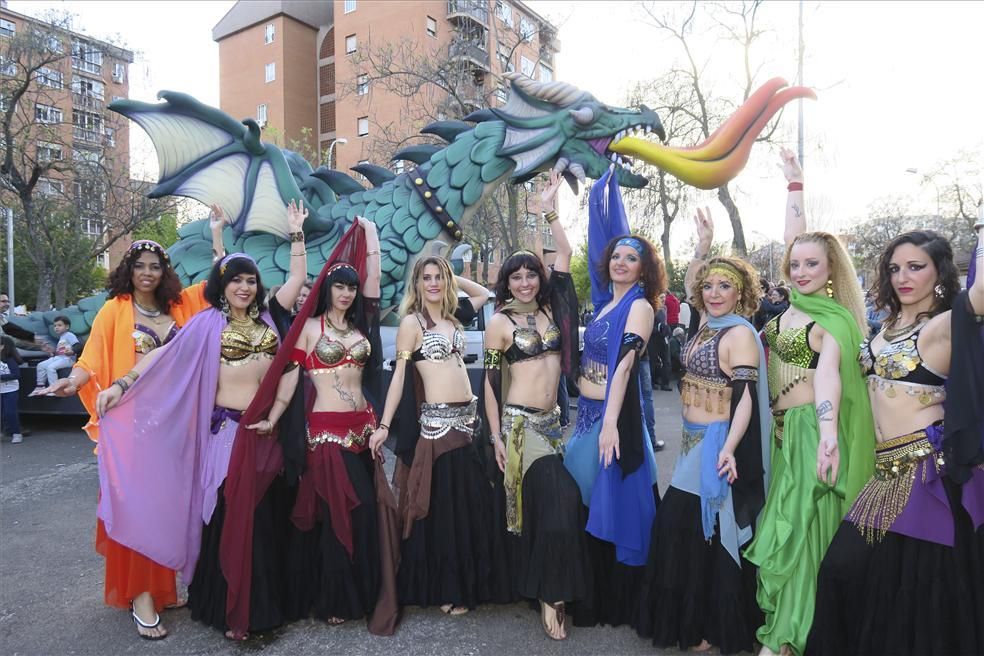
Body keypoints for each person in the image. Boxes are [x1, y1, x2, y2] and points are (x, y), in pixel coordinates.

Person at [92, 201, 308, 641]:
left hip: (266, 433)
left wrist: (296, 234)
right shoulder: (205, 324)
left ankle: (266, 600)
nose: (244, 288)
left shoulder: (270, 318)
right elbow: (161, 356)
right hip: (226, 436)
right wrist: (121, 385)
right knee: (229, 517)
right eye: (236, 281)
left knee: (266, 518)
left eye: (251, 280)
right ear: (222, 286)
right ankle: (228, 606)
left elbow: (299, 282)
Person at [40, 213, 225, 640]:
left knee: (171, 508)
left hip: (178, 428)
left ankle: (163, 587)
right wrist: (74, 381)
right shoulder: (113, 310)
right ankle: (141, 595)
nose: (147, 273)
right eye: (139, 266)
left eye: (154, 266)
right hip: (134, 428)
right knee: (137, 510)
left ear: (165, 272)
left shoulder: (182, 306)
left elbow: (224, 280)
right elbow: (90, 359)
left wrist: (217, 235)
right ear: (129, 270)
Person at [808, 224, 984, 655]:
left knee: (917, 598)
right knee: (846, 573)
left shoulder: (945, 325)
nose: (902, 277)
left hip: (928, 478)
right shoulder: (880, 327)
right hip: (885, 471)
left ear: (939, 274)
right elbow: (807, 282)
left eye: (916, 267)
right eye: (894, 268)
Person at [743, 147, 874, 656]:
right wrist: (794, 187)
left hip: (809, 435)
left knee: (798, 534)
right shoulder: (792, 309)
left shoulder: (832, 320)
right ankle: (799, 631)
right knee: (796, 532)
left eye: (811, 264)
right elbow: (795, 238)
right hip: (783, 436)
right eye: (794, 264)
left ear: (830, 269)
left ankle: (786, 639)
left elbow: (828, 381)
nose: (800, 270)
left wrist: (824, 436)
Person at [638, 208, 771, 654]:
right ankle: (701, 625)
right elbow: (694, 282)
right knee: (696, 532)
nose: (714, 293)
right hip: (691, 440)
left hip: (714, 443)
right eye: (709, 286)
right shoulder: (703, 327)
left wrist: (730, 448)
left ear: (742, 293)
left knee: (690, 525)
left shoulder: (739, 335)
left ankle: (710, 625)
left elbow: (746, 398)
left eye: (725, 286)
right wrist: (701, 248)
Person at [483, 170, 588, 640]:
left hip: (554, 426)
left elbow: (564, 254)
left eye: (531, 275)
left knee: (553, 508)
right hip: (522, 427)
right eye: (517, 276)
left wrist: (550, 209)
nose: (525, 282)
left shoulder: (553, 310)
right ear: (507, 282)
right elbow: (487, 383)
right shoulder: (500, 323)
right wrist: (495, 436)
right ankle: (551, 595)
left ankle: (547, 586)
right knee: (561, 499)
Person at [275, 217, 391, 629]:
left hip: (364, 431)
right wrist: (271, 416)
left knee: (363, 514)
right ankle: (335, 598)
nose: (346, 293)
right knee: (345, 512)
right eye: (339, 286)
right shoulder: (307, 329)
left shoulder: (362, 327)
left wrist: (372, 237)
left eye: (351, 287)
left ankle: (357, 592)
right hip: (325, 433)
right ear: (327, 289)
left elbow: (374, 280)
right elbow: (288, 381)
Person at [562, 167, 663, 628]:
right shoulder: (604, 301)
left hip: (613, 420)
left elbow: (625, 364)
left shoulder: (639, 306)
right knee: (586, 503)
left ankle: (617, 605)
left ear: (645, 269)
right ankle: (589, 591)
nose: (621, 261)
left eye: (631, 257)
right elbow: (594, 237)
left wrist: (609, 424)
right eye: (617, 255)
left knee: (618, 510)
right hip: (586, 416)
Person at [368, 257, 495, 617]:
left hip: (467, 425)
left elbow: (484, 292)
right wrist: (384, 425)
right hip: (437, 430)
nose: (435, 283)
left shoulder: (455, 318)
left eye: (440, 277)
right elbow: (399, 377)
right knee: (444, 514)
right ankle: (446, 589)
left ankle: (465, 584)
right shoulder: (412, 323)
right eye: (427, 278)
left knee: (468, 510)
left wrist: (455, 276)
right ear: (418, 284)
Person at [30, 316, 78, 394]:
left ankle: (54, 389)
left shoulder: (69, 335)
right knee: (40, 365)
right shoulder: (61, 337)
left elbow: (77, 345)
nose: (56, 327)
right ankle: (40, 386)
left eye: (59, 325)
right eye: (55, 326)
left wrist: (72, 351)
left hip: (68, 359)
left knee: (50, 368)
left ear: (67, 326)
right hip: (59, 358)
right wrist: (50, 351)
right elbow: (59, 352)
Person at [1, 335, 24, 444]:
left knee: (10, 412)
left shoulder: (9, 360)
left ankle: (16, 433)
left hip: (10, 390)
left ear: (2, 347)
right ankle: (4, 432)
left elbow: (16, 375)